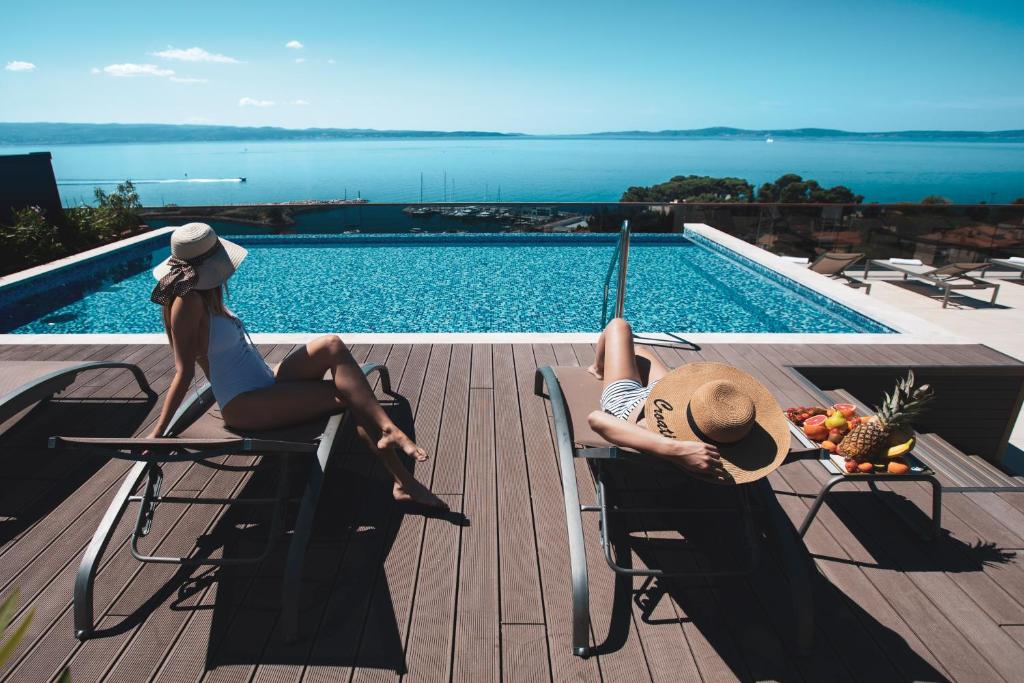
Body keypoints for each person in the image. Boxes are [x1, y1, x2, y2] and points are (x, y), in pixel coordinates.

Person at [146, 222, 446, 511]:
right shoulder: (187, 303)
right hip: (245, 403)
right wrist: (159, 433)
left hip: (266, 380)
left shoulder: (202, 296)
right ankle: (403, 482)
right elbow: (183, 371)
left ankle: (388, 428)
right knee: (351, 397)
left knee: (331, 344)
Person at [586, 318, 728, 480]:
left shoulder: (676, 442)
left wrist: (676, 450)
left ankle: (598, 369)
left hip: (628, 400)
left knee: (618, 325)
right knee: (639, 352)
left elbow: (596, 419)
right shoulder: (727, 428)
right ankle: (602, 367)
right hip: (671, 398)